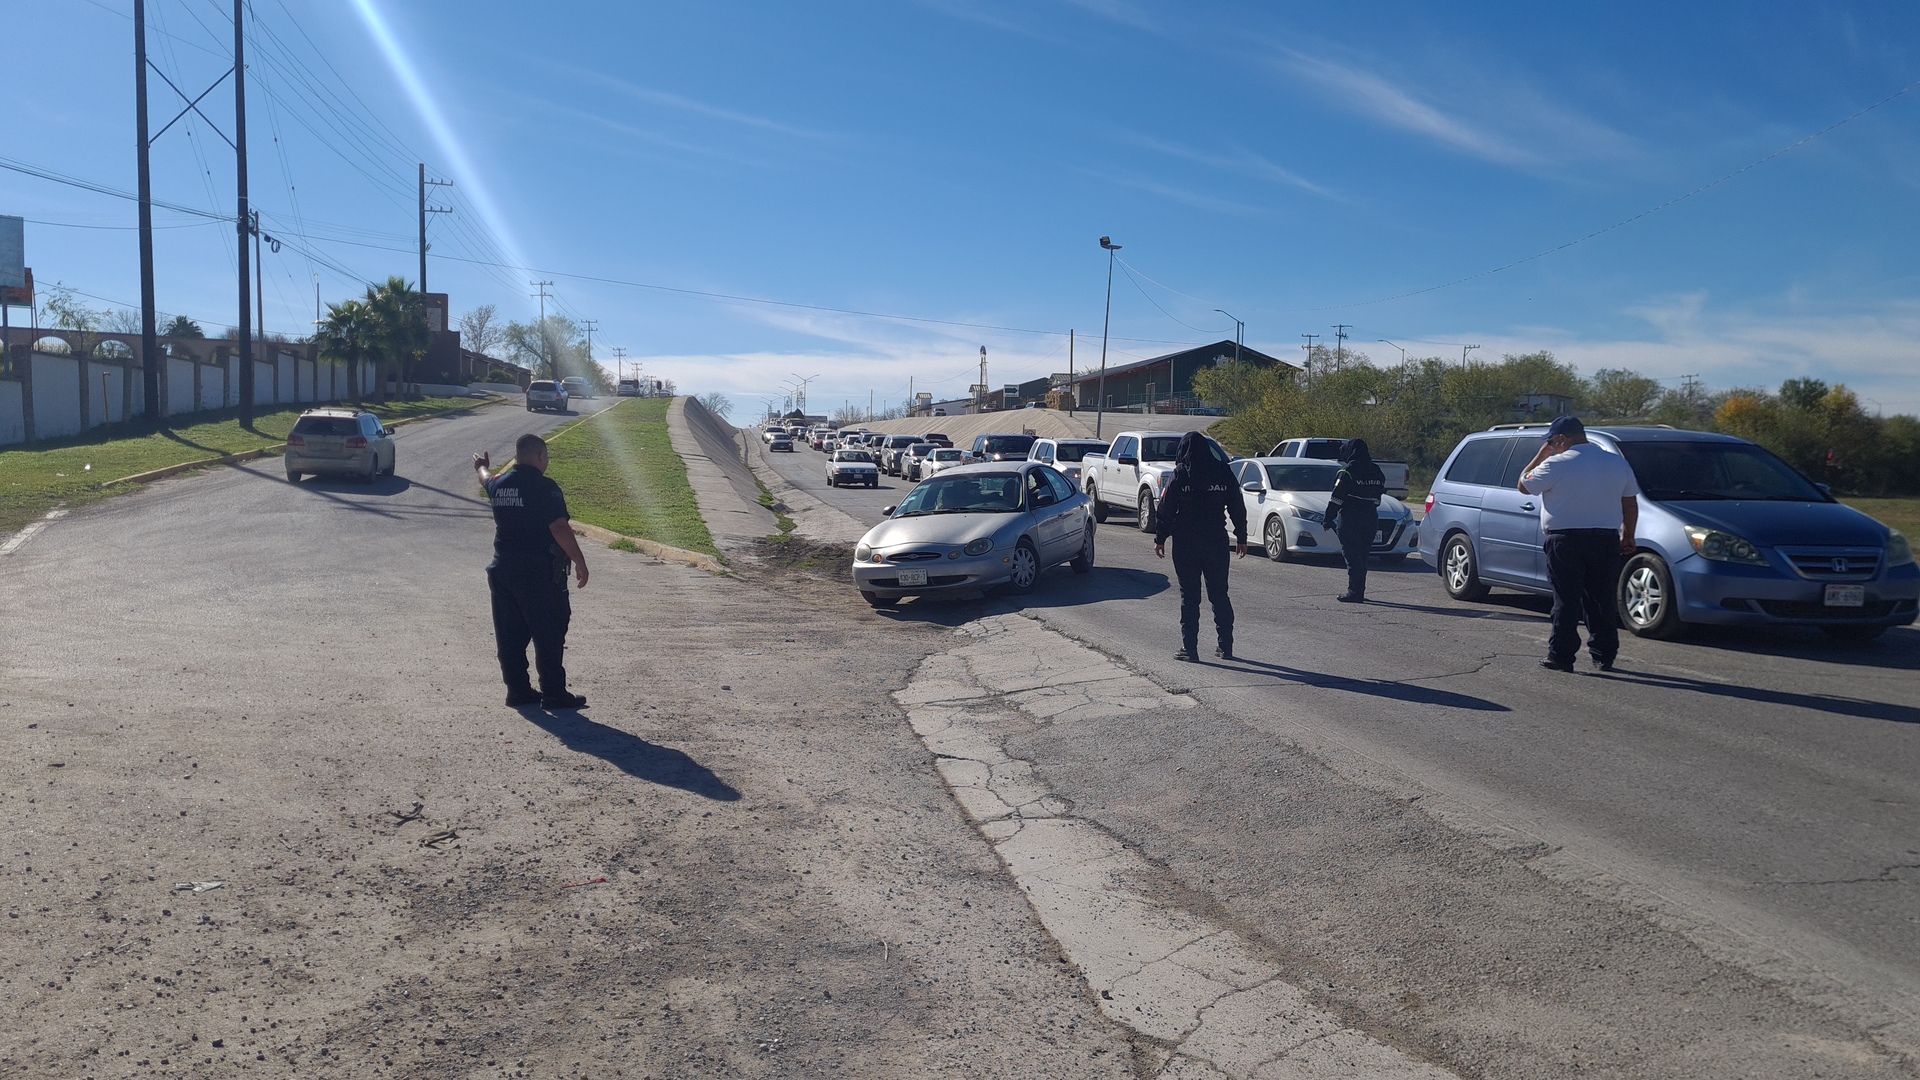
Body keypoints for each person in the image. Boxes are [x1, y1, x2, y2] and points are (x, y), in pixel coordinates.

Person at [473, 434, 590, 708]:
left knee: (510, 634)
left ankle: (518, 690)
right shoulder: (545, 487)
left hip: (502, 569)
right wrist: (580, 562)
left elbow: (485, 478)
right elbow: (559, 527)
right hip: (537, 573)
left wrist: (481, 466)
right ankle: (553, 693)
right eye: (545, 457)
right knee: (549, 631)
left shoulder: (500, 484)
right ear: (539, 456)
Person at [1517, 416, 1640, 673]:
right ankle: (1604, 654)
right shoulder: (1617, 462)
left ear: (1562, 439)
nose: (1551, 446)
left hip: (1565, 540)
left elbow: (1523, 485)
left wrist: (1540, 455)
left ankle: (1561, 656)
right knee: (1601, 598)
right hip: (1605, 540)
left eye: (1551, 442)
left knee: (1566, 600)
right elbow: (1629, 503)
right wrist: (1628, 535)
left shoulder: (1555, 464)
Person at [1153, 431, 1249, 662]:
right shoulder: (1222, 471)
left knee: (1190, 596)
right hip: (1216, 541)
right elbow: (1237, 506)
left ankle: (1190, 649)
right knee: (1219, 594)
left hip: (1186, 542)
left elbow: (1166, 508)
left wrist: (1160, 538)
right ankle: (1225, 647)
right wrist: (1242, 537)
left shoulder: (1181, 474)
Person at [1323, 438, 1386, 603]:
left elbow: (1337, 498)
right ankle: (1359, 590)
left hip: (1351, 518)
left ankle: (1355, 593)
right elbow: (1379, 494)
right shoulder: (1376, 470)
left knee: (1352, 556)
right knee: (1362, 556)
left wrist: (1327, 519)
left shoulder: (1347, 472)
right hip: (1370, 516)